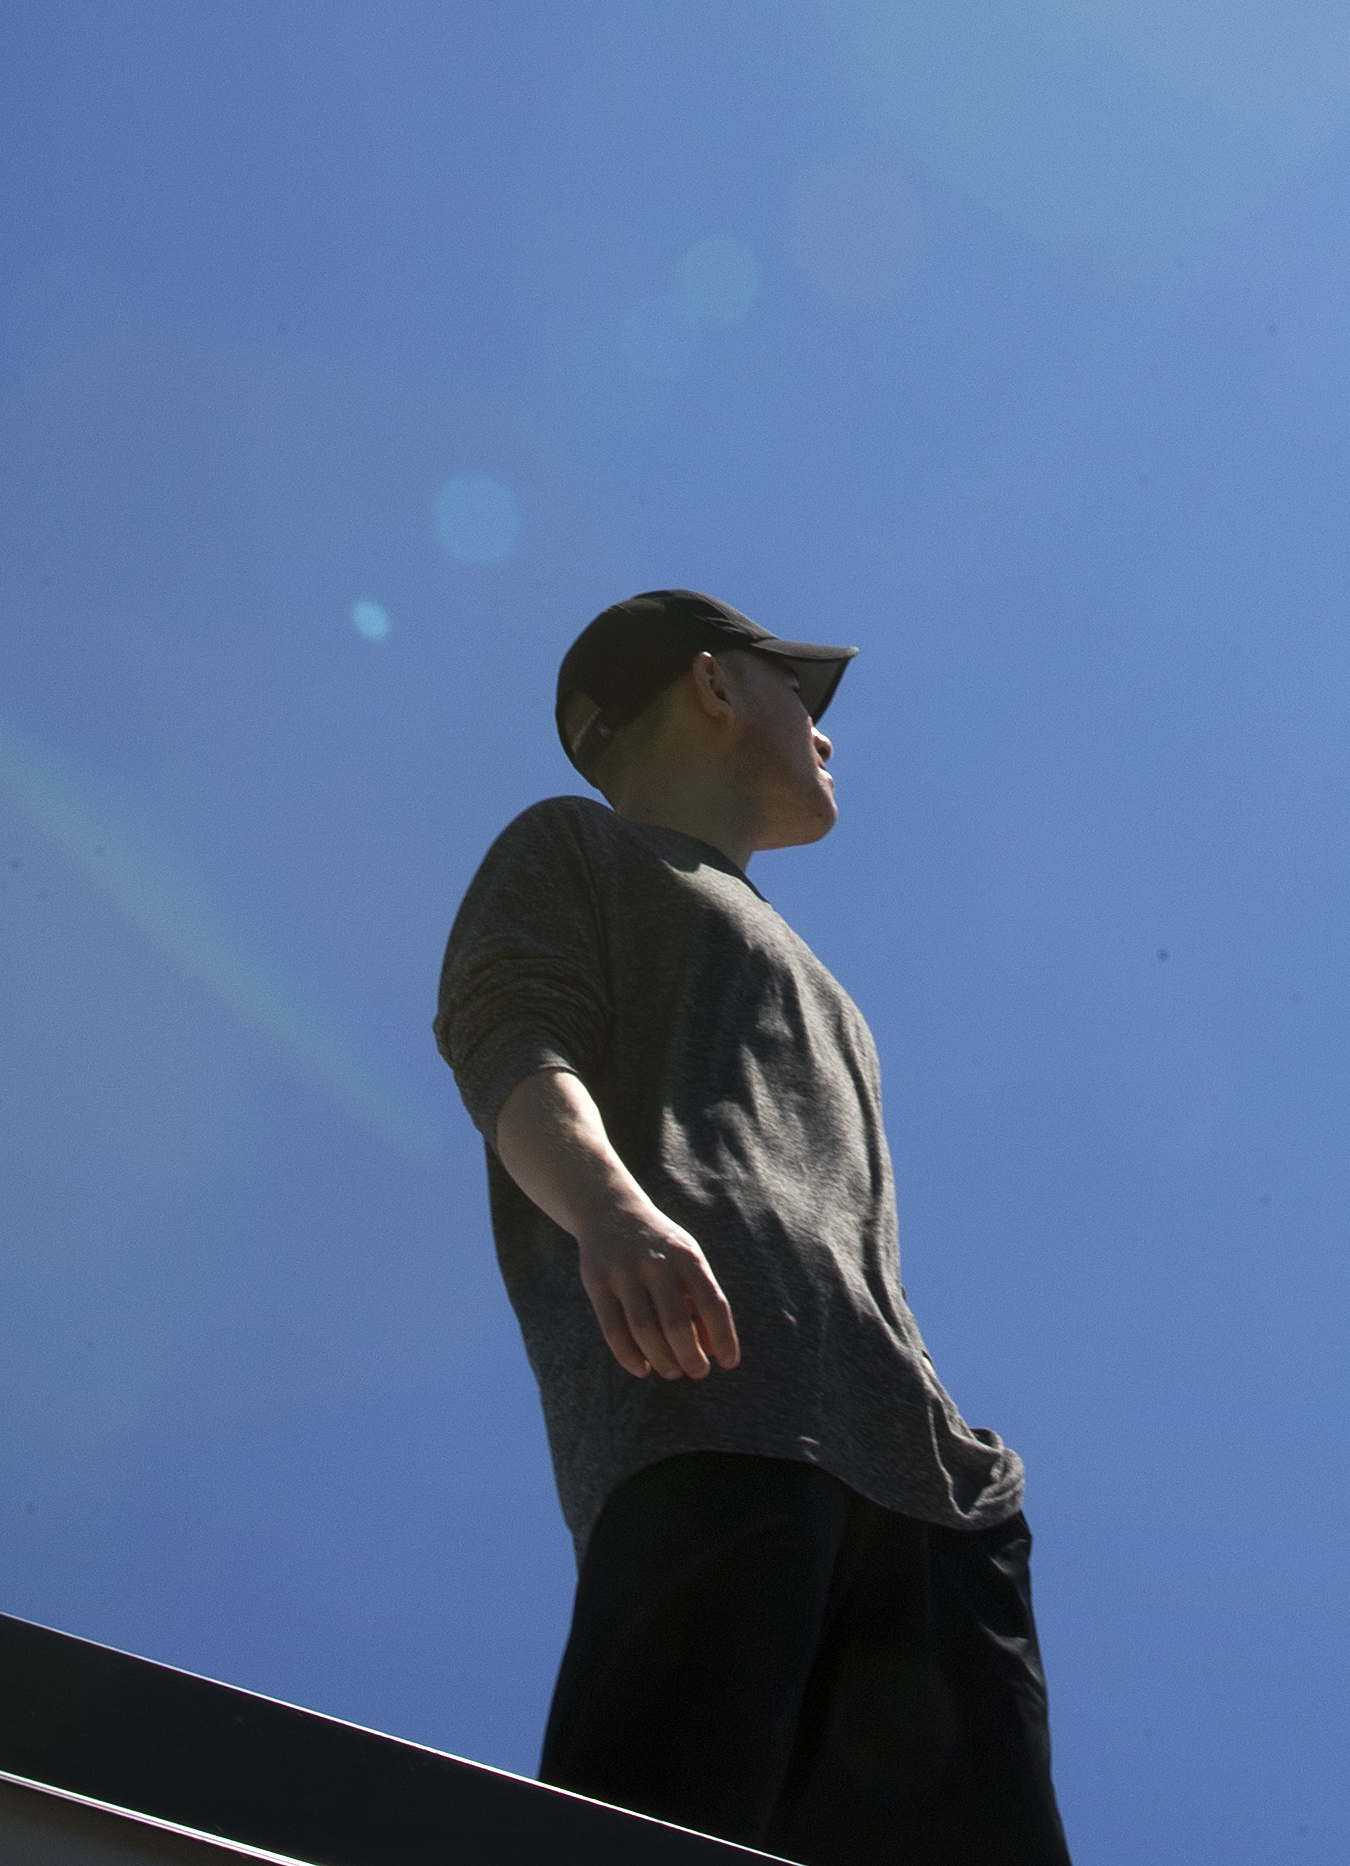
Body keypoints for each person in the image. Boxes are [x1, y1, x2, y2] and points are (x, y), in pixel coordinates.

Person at [432, 590, 1072, 1865]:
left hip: (930, 1495)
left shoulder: (823, 988)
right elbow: (510, 1045)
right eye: (804, 699)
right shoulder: (575, 850)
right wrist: (613, 1213)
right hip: (711, 1409)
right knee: (658, 1824)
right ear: (716, 687)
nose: (826, 739)